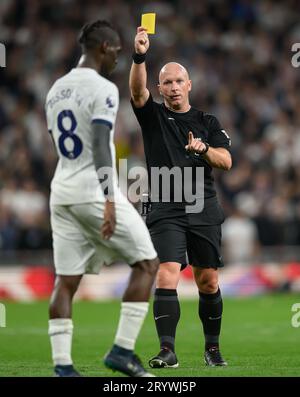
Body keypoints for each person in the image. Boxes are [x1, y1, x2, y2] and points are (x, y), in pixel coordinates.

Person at [45, 20, 159, 377]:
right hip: (91, 191)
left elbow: (59, 142)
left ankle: (63, 367)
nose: (116, 59)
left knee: (66, 281)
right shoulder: (103, 89)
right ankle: (122, 351)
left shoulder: (56, 89)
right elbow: (97, 144)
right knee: (147, 263)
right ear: (104, 48)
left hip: (61, 191)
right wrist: (110, 198)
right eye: (116, 52)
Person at [129, 27, 232, 368]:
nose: (173, 87)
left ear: (189, 85)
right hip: (165, 205)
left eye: (179, 81)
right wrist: (140, 55)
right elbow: (135, 89)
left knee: (208, 279)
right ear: (160, 88)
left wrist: (203, 149)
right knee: (166, 273)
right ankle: (167, 350)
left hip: (202, 204)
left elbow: (226, 161)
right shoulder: (153, 115)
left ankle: (212, 348)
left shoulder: (207, 121)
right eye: (167, 82)